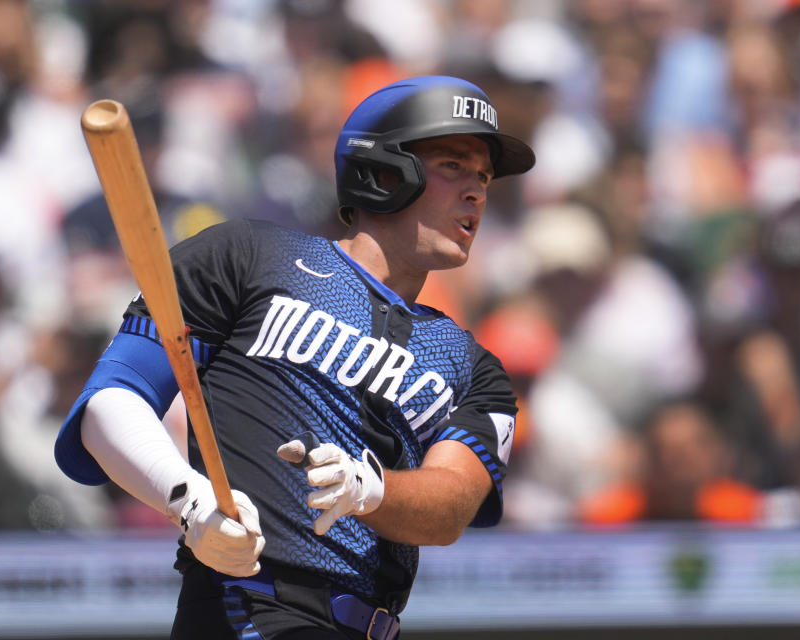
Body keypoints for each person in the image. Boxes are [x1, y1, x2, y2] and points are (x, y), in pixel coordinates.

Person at [54, 75, 534, 639]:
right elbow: (111, 400)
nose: (477, 191)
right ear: (384, 172)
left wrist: (370, 491)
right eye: (453, 165)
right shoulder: (246, 256)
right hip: (245, 606)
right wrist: (190, 501)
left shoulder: (474, 367)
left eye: (483, 176)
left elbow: (453, 504)